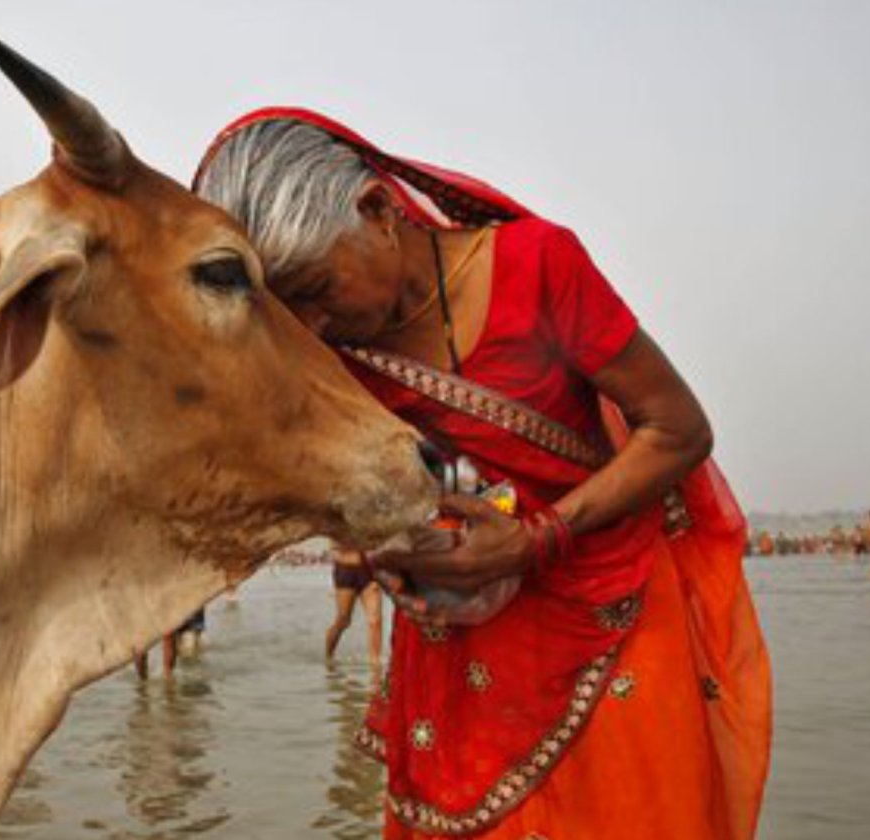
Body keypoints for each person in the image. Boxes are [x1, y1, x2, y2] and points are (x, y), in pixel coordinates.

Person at [195, 109, 770, 840]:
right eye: (288, 311)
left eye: (315, 288)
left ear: (377, 210)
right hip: (458, 644)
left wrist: (533, 541)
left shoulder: (537, 267)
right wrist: (391, 557)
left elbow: (678, 430)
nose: (311, 327)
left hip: (607, 610)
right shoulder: (331, 355)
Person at [326, 545, 386, 671]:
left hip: (370, 572)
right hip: (346, 570)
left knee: (375, 621)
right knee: (343, 621)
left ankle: (376, 668)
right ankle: (328, 657)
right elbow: (332, 549)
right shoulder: (340, 526)